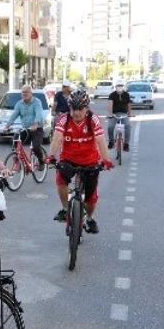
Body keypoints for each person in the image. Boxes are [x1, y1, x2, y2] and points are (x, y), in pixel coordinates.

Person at [46, 90, 113, 231]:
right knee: (61, 180)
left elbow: (100, 140)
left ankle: (89, 218)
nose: (77, 113)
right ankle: (65, 209)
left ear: (87, 108)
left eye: (80, 109)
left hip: (90, 161)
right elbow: (57, 138)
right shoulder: (63, 119)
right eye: (73, 109)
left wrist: (106, 160)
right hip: (68, 159)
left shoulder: (93, 119)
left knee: (91, 196)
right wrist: (50, 156)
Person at [6, 83, 48, 165]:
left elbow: (38, 114)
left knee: (36, 147)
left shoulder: (37, 102)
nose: (24, 94)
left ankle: (41, 162)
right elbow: (14, 115)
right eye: (23, 92)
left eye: (26, 92)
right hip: (25, 129)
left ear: (31, 93)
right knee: (16, 139)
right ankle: (17, 158)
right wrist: (7, 126)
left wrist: (35, 124)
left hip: (37, 129)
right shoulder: (19, 104)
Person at [106, 81, 132, 151]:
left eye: (121, 85)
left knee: (128, 127)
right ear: (116, 87)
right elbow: (110, 105)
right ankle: (111, 142)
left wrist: (129, 114)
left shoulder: (126, 95)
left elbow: (129, 105)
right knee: (110, 127)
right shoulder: (112, 95)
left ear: (123, 86)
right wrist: (110, 114)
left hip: (124, 114)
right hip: (114, 115)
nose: (120, 87)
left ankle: (126, 144)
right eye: (118, 85)